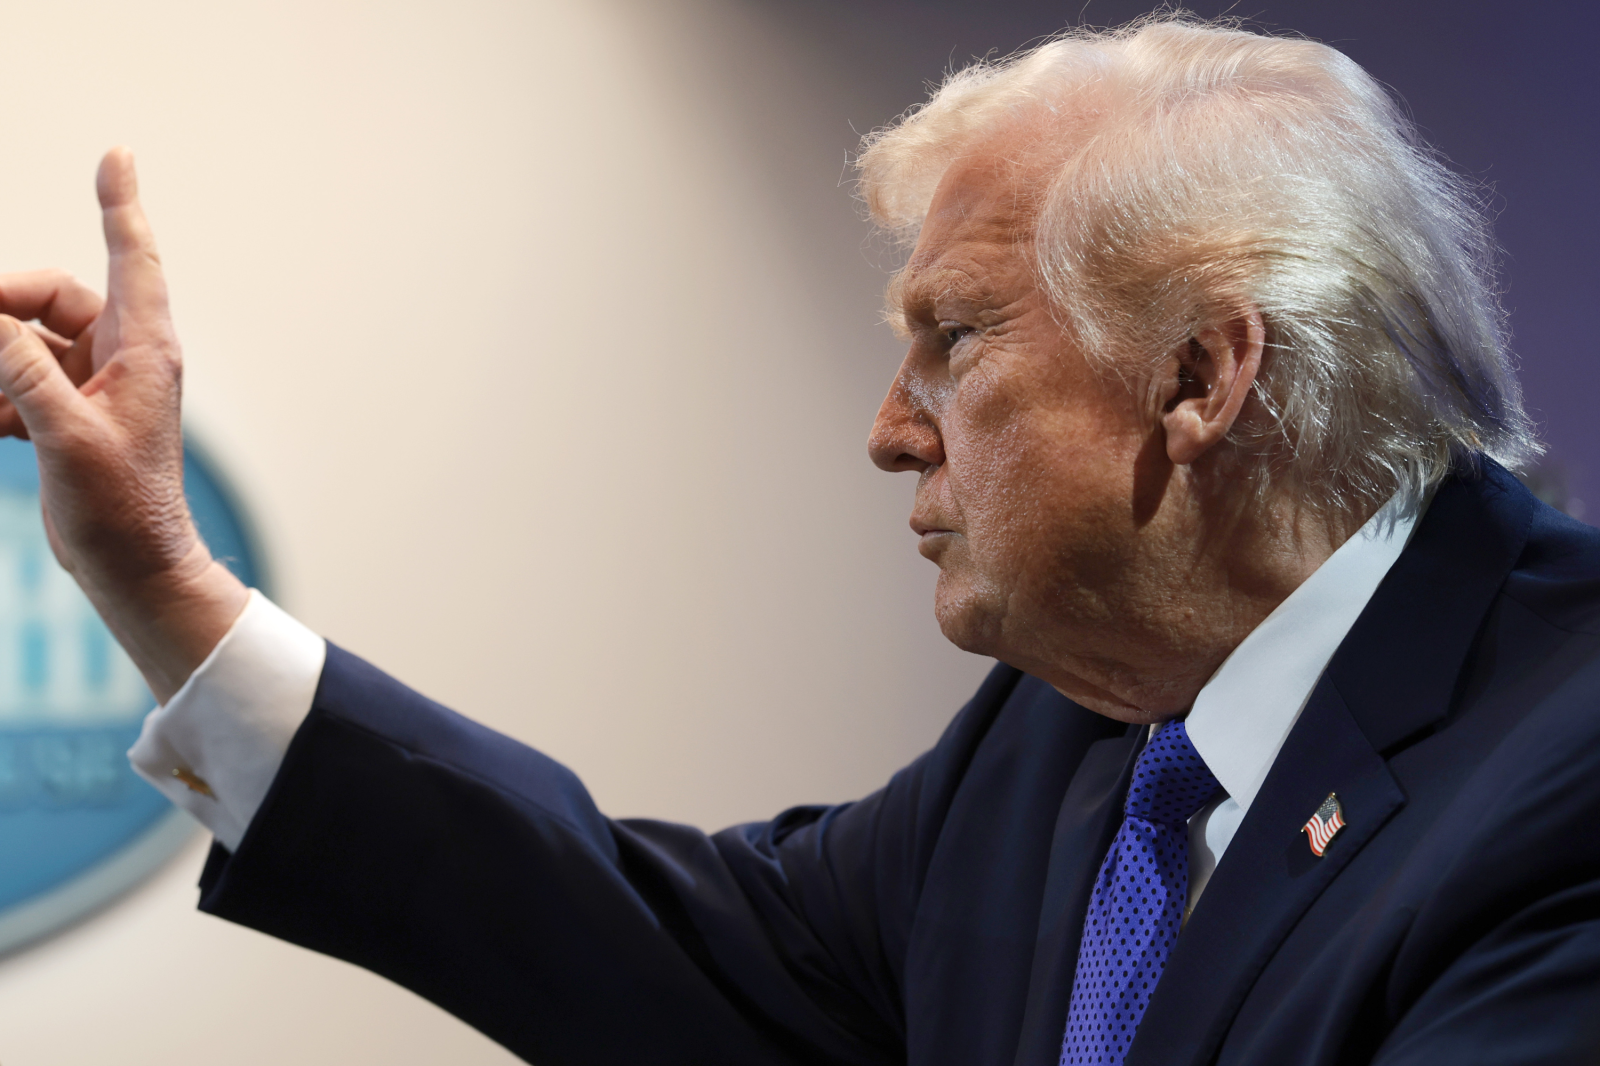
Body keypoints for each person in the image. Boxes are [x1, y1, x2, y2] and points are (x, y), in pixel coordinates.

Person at [1, 14, 1597, 1066]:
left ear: (1199, 375)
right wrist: (166, 591)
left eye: (954, 341)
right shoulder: (1066, 745)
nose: (892, 428)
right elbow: (654, 947)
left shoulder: (1566, 775)